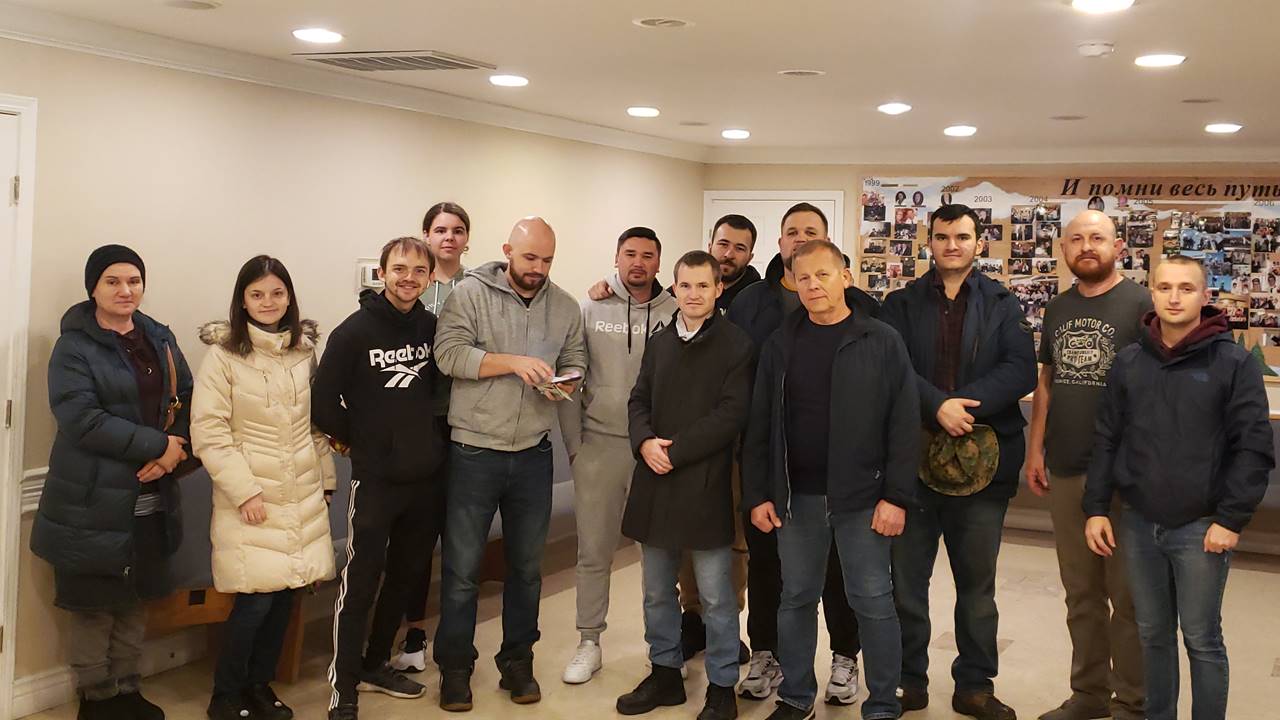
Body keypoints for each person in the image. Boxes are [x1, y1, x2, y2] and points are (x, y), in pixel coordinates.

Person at [1085, 255, 1273, 720]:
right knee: (1152, 633)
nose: (1173, 297)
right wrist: (1096, 507)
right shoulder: (1130, 362)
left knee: (1202, 639)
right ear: (1151, 293)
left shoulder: (1232, 363)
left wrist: (1231, 519)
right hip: (1139, 522)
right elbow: (1107, 438)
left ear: (1205, 296)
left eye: (1186, 289)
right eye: (1164, 287)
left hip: (1202, 526)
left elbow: (1253, 447)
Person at [743, 240, 919, 720]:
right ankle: (796, 696)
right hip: (795, 499)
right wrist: (758, 494)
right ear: (793, 283)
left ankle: (882, 704)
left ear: (846, 276)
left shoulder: (881, 340)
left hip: (863, 499)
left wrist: (896, 496)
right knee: (796, 598)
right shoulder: (780, 343)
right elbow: (760, 426)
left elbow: (904, 423)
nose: (813, 285)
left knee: (873, 601)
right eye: (803, 277)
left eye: (823, 274)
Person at [879, 204, 1037, 720]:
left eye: (963, 237)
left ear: (978, 243)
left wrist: (961, 406)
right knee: (907, 586)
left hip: (984, 470)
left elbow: (1021, 370)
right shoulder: (899, 304)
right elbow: (891, 366)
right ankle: (908, 681)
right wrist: (936, 406)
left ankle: (975, 686)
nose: (953, 245)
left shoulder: (1004, 304)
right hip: (911, 467)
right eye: (943, 236)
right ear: (929, 241)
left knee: (977, 590)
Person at [31, 244, 193, 720]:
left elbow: (187, 399)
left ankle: (127, 690)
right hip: (90, 501)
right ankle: (97, 700)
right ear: (93, 288)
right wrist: (157, 446)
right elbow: (81, 419)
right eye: (113, 281)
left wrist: (175, 453)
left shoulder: (159, 337)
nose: (126, 290)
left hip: (150, 496)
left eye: (134, 281)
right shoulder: (73, 346)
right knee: (94, 607)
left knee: (134, 600)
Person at [432, 217, 587, 711]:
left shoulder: (564, 306)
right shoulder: (470, 295)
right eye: (529, 258)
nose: (538, 268)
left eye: (547, 260)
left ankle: (517, 662)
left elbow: (576, 360)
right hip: (474, 452)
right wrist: (512, 362)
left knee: (526, 569)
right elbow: (448, 355)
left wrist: (566, 381)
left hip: (533, 454)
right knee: (462, 571)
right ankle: (455, 668)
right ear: (507, 251)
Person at [728, 202, 877, 706]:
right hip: (767, 455)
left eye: (810, 231)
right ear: (780, 244)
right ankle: (767, 653)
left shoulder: (861, 306)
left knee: (836, 569)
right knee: (767, 565)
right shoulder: (750, 302)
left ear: (829, 245)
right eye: (792, 232)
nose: (799, 239)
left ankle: (844, 655)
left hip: (835, 466)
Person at [193, 256, 336, 720]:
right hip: (251, 496)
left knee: (286, 597)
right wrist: (245, 492)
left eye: (277, 293)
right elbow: (210, 433)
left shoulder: (303, 352)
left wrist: (326, 481)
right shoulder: (223, 356)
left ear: (289, 298)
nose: (268, 302)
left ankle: (259, 686)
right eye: (257, 294)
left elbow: (315, 425)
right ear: (242, 301)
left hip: (301, 491)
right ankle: (226, 695)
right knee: (255, 600)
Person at [614, 250, 753, 720]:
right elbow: (638, 400)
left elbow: (731, 414)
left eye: (703, 286)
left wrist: (674, 452)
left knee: (715, 597)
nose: (693, 294)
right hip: (655, 481)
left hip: (705, 482)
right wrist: (644, 442)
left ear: (718, 289)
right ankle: (665, 673)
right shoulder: (660, 342)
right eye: (685, 286)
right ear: (674, 288)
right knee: (657, 591)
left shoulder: (737, 345)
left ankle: (722, 687)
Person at [312, 237, 447, 720]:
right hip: (377, 481)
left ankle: (375, 664)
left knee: (406, 576)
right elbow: (323, 404)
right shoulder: (352, 333)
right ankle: (344, 687)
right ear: (383, 274)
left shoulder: (433, 327)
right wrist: (363, 442)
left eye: (418, 270)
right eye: (399, 269)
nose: (408, 278)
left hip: (426, 480)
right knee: (361, 583)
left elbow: (441, 395)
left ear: (430, 277)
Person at [1024, 211, 1150, 720]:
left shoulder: (1142, 304)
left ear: (1118, 246)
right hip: (1067, 467)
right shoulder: (1058, 307)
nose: (1087, 246)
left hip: (1124, 475)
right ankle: (1089, 694)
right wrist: (1036, 449)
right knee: (1081, 593)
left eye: (1097, 237)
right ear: (1063, 249)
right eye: (1076, 239)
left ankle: (1133, 702)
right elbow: (1047, 382)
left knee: (1129, 596)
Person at [559, 226, 677, 685]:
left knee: (658, 556)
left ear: (658, 262)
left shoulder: (674, 310)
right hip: (599, 447)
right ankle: (589, 642)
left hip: (654, 451)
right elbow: (570, 377)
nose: (638, 263)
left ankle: (661, 647)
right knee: (593, 551)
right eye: (630, 254)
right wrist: (575, 445)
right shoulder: (590, 308)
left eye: (648, 255)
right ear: (617, 257)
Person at [391, 201, 471, 675]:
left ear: (467, 239)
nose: (448, 238)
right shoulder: (411, 289)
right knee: (416, 538)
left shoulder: (479, 287)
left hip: (465, 425)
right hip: (418, 426)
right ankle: (414, 634)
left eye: (457, 230)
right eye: (440, 230)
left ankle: (456, 639)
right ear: (426, 235)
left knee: (458, 535)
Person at [586, 213, 763, 313]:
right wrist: (613, 286)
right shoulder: (675, 297)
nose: (729, 254)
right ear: (710, 247)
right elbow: (645, 300)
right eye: (723, 244)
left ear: (750, 256)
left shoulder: (760, 300)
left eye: (740, 248)